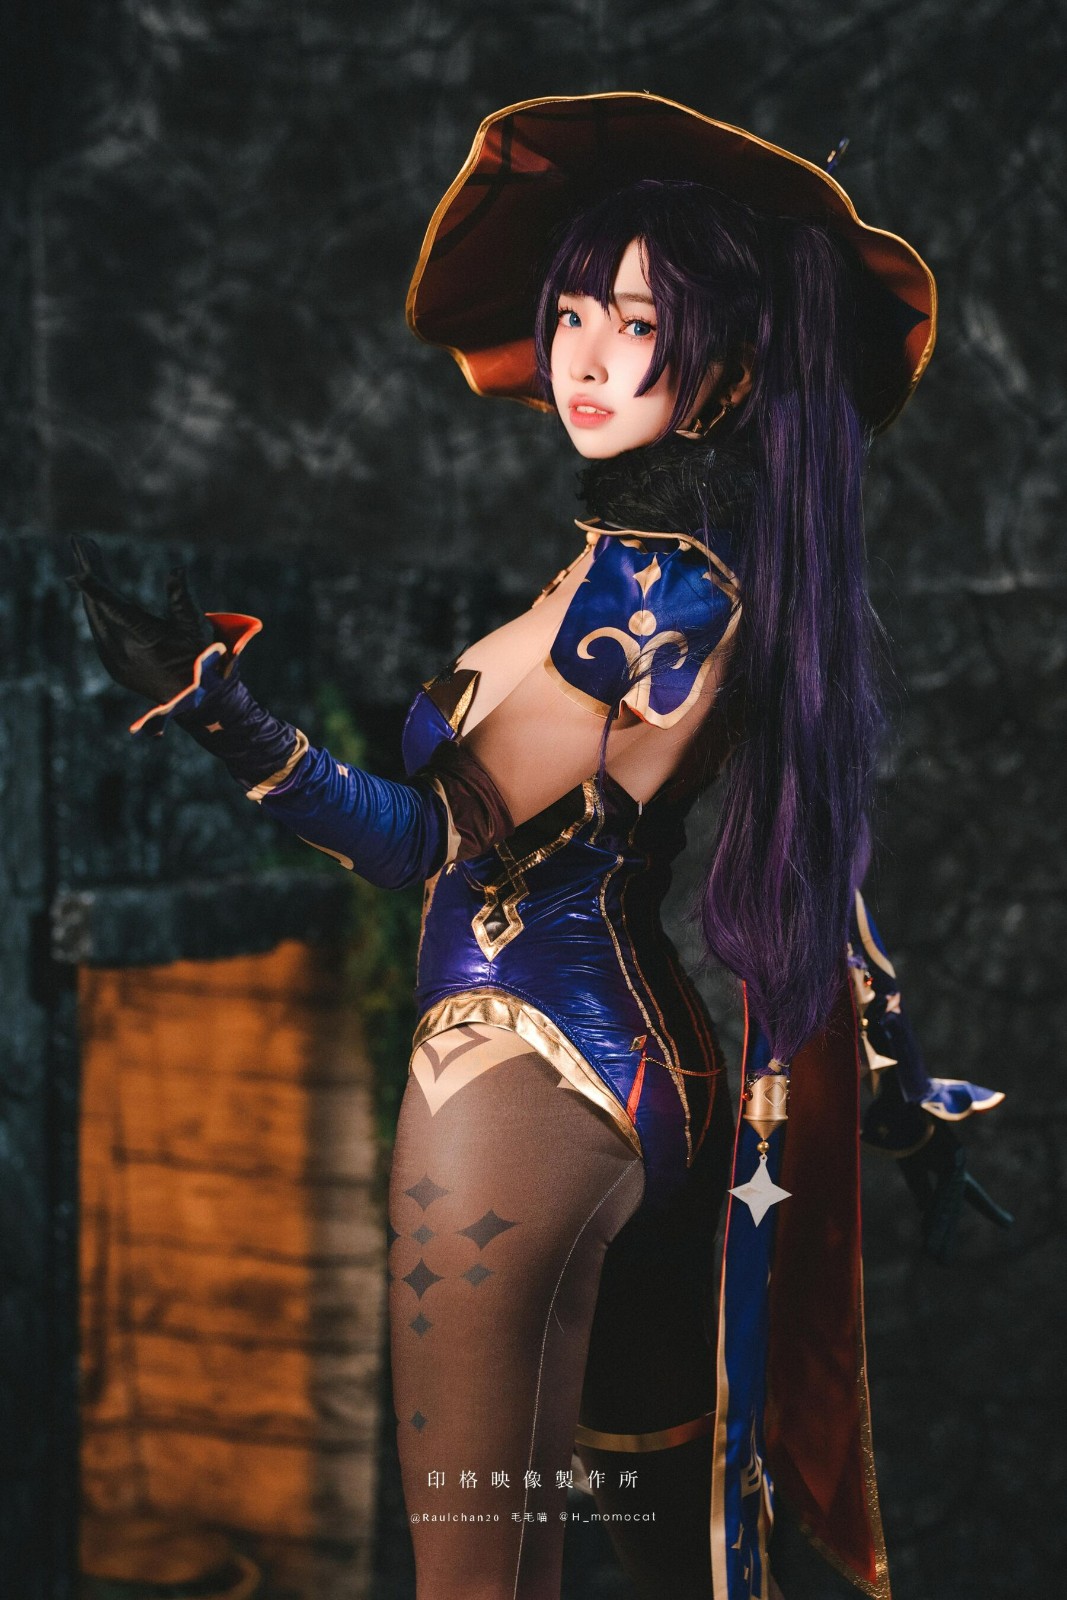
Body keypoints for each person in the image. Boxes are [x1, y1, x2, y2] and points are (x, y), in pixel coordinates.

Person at [69, 94, 1010, 1600]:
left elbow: (426, 838)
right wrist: (901, 1091)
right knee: (666, 1560)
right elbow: (824, 873)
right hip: (637, 1079)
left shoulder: (655, 591)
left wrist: (223, 713)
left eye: (639, 323)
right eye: (574, 311)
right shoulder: (652, 571)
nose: (584, 354)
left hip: (516, 1077)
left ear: (726, 366)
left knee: (476, 1573)